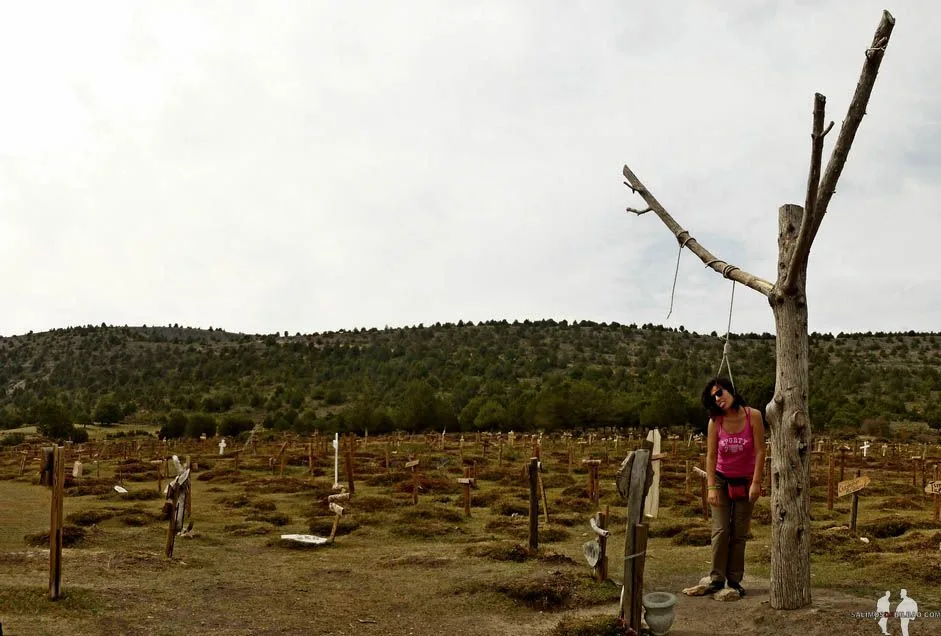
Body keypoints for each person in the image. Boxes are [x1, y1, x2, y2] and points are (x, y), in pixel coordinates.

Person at [701, 377, 765, 596]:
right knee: (721, 531)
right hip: (721, 480)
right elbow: (711, 456)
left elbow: (760, 451)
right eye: (713, 398)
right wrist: (711, 487)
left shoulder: (753, 416)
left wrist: (756, 482)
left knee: (739, 533)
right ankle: (717, 579)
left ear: (731, 390)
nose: (718, 399)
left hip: (746, 481)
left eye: (720, 392)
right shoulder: (715, 422)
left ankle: (735, 579)